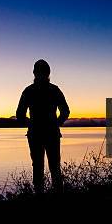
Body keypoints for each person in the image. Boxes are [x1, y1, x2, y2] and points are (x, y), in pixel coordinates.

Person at [16, 59, 70, 193]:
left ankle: (45, 195)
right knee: (49, 167)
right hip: (43, 134)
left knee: (44, 167)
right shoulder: (52, 90)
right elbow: (65, 111)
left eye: (42, 72)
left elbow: (20, 115)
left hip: (41, 134)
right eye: (40, 72)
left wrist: (32, 124)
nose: (41, 75)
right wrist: (55, 124)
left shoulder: (30, 91)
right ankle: (48, 194)